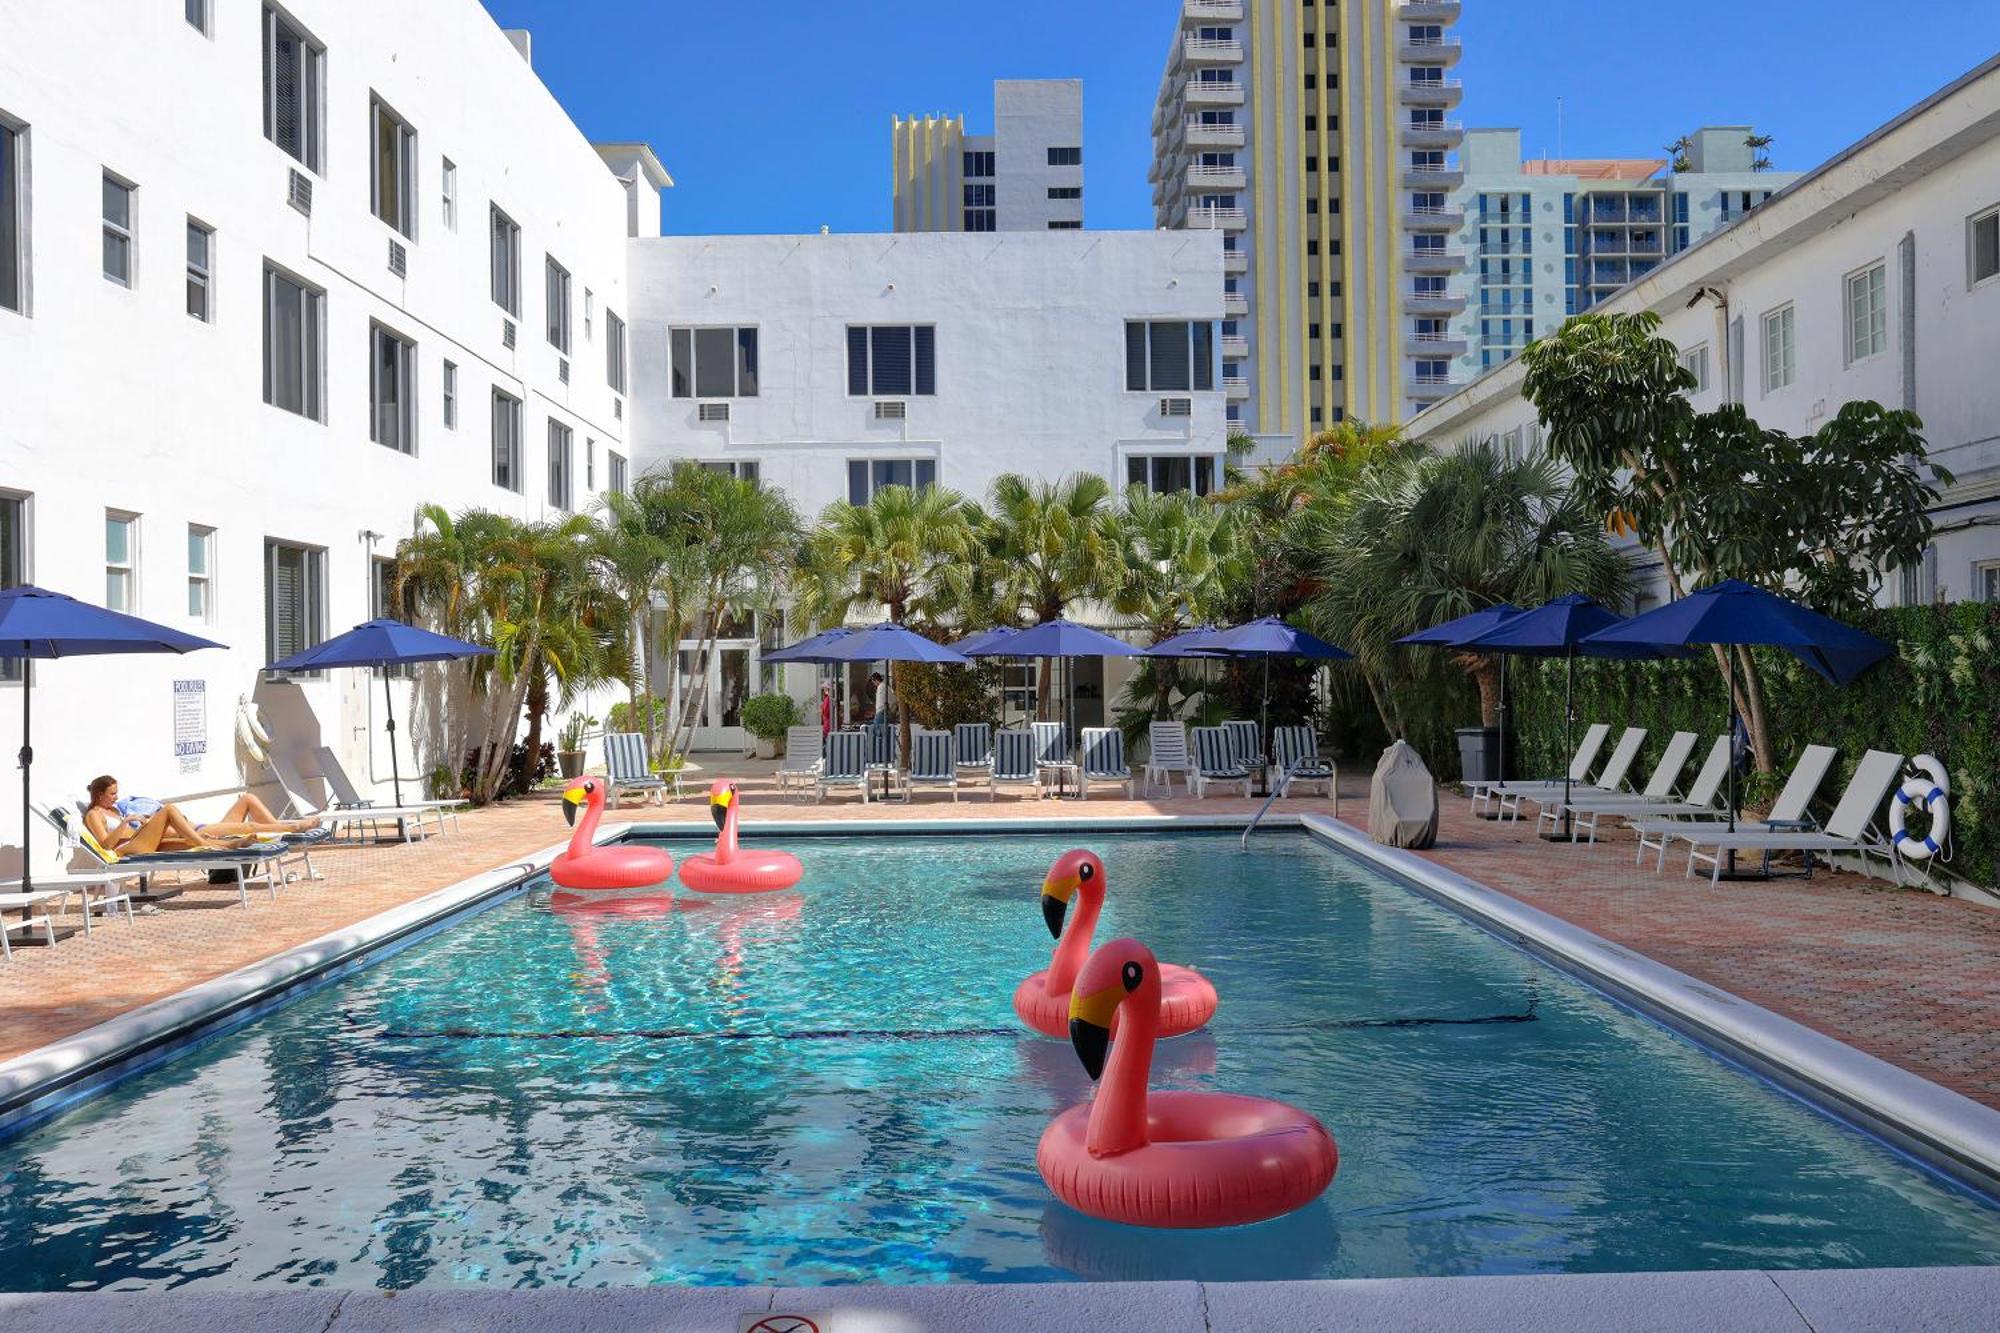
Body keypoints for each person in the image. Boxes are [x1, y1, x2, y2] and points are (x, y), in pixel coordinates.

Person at [83, 775, 318, 855]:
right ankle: (208, 845)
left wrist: (140, 821)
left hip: (144, 839)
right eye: (112, 794)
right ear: (100, 794)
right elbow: (105, 845)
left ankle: (227, 846)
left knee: (185, 842)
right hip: (127, 847)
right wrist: (125, 822)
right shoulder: (95, 814)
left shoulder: (114, 809)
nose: (116, 797)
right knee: (169, 810)